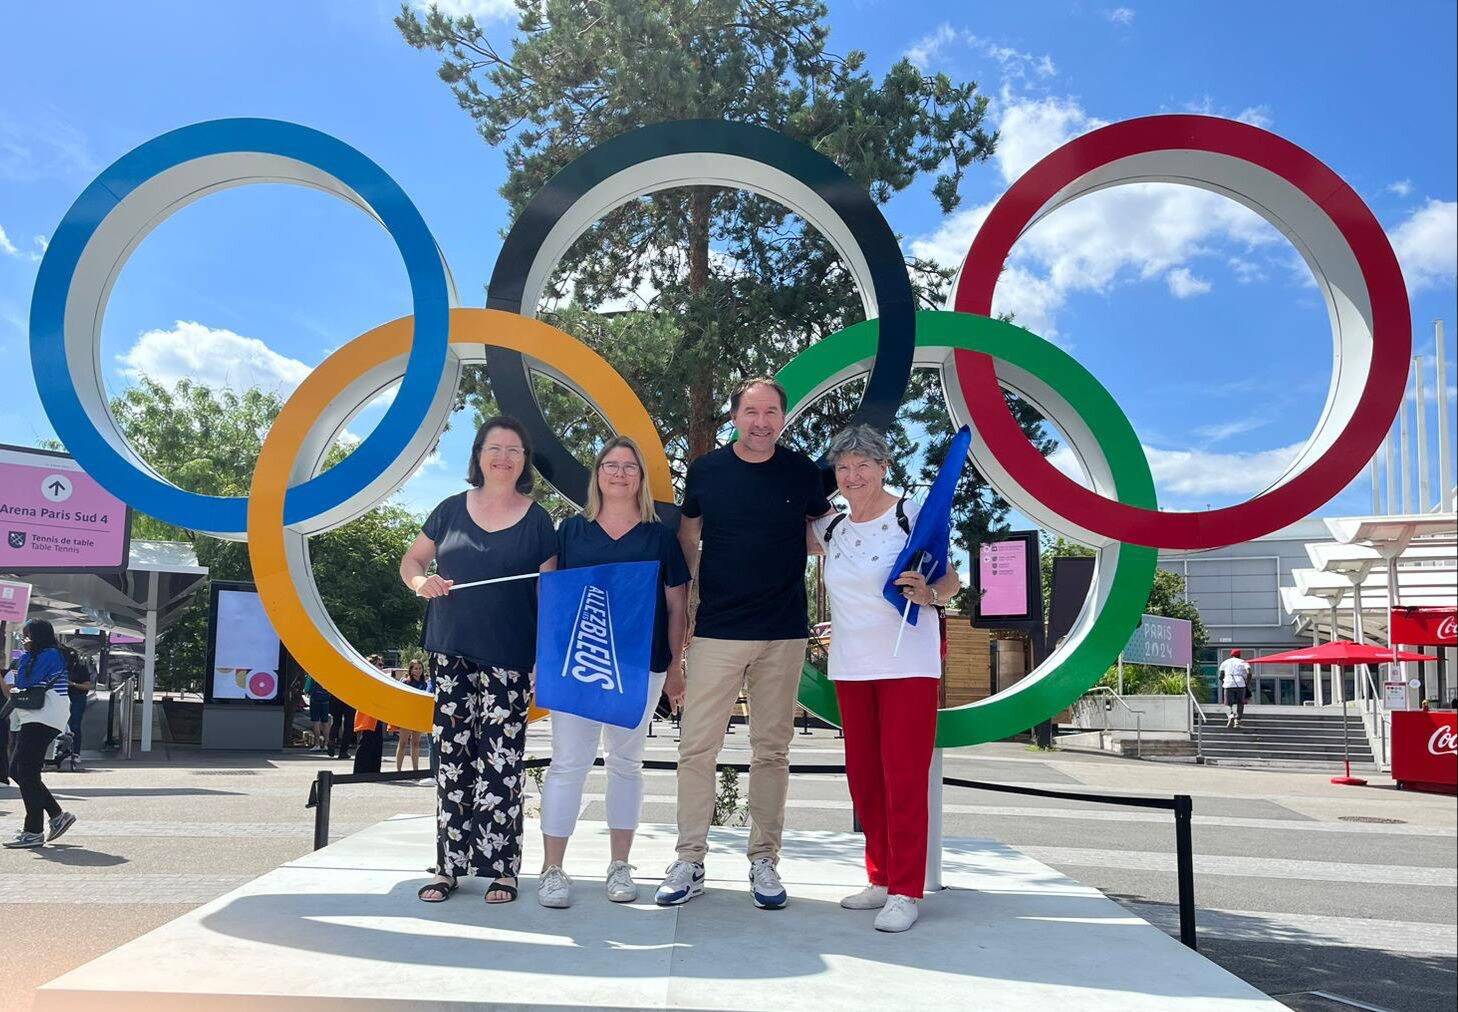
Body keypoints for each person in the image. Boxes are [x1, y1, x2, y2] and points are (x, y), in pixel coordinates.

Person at [657, 377, 832, 910]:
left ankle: (764, 861)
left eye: (771, 411)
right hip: (717, 631)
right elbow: (689, 538)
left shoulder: (803, 473)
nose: (761, 421)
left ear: (783, 417)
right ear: (735, 416)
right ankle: (689, 858)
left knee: (772, 751)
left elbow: (823, 536)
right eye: (751, 411)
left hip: (783, 632)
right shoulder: (707, 471)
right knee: (696, 748)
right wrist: (684, 616)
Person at [808, 425, 961, 933]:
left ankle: (906, 889)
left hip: (908, 666)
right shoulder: (831, 529)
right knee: (865, 779)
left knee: (903, 776)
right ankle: (879, 876)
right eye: (844, 468)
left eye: (863, 465)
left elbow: (950, 578)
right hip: (851, 667)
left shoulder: (911, 515)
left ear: (883, 467)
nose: (853, 476)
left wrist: (931, 594)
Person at [401, 416, 558, 906]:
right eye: (495, 448)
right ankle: (449, 866)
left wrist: (541, 660)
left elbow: (548, 595)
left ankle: (503, 869)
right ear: (479, 456)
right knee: (451, 762)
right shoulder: (448, 510)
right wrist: (419, 584)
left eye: (514, 449)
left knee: (501, 765)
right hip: (450, 654)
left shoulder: (539, 520)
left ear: (524, 461)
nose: (504, 457)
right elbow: (412, 562)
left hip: (510, 659)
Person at [537, 437, 690, 908]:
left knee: (626, 764)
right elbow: (550, 596)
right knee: (568, 764)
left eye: (629, 466)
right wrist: (545, 658)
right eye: (610, 465)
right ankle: (552, 870)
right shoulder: (570, 531)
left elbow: (678, 603)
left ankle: (620, 865)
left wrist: (677, 665)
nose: (619, 473)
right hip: (578, 666)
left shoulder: (659, 534)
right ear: (597, 474)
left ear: (641, 477)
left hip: (640, 667)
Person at [4, 620, 78, 848]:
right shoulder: (44, 654)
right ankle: (56, 816)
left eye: (27, 636)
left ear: (37, 636)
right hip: (37, 717)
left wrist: (24, 657)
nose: (24, 640)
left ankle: (34, 830)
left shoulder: (50, 655)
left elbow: (26, 681)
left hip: (43, 717)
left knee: (24, 770)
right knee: (19, 770)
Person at [352, 656, 388, 776]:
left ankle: (374, 771)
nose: (381, 666)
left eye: (382, 664)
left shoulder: (380, 678)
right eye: (379, 664)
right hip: (367, 716)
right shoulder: (366, 677)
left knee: (377, 743)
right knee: (365, 743)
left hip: (377, 716)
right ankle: (359, 771)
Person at [394, 659, 427, 772]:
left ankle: (415, 770)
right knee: (403, 742)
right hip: (407, 715)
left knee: (416, 743)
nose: (418, 671)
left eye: (420, 668)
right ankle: (398, 770)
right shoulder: (406, 682)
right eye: (415, 668)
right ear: (411, 670)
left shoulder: (424, 684)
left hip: (418, 716)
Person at [65, 652, 94, 756]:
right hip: (63, 697)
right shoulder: (60, 668)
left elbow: (87, 686)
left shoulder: (81, 669)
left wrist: (72, 684)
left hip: (78, 697)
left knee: (75, 725)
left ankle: (75, 752)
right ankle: (61, 750)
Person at [1219, 649, 1250, 728]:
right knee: (1240, 703)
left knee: (1227, 703)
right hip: (1240, 684)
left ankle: (1231, 715)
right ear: (1239, 655)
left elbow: (1220, 676)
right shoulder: (1243, 662)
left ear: (1231, 655)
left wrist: (1224, 682)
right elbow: (1249, 672)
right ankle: (1237, 721)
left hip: (1228, 683)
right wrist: (1247, 682)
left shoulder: (1225, 662)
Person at [305, 673, 333, 753]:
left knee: (316, 722)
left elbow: (307, 687)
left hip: (315, 699)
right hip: (325, 700)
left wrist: (307, 691)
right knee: (325, 722)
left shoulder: (313, 672)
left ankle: (317, 745)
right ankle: (325, 745)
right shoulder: (328, 674)